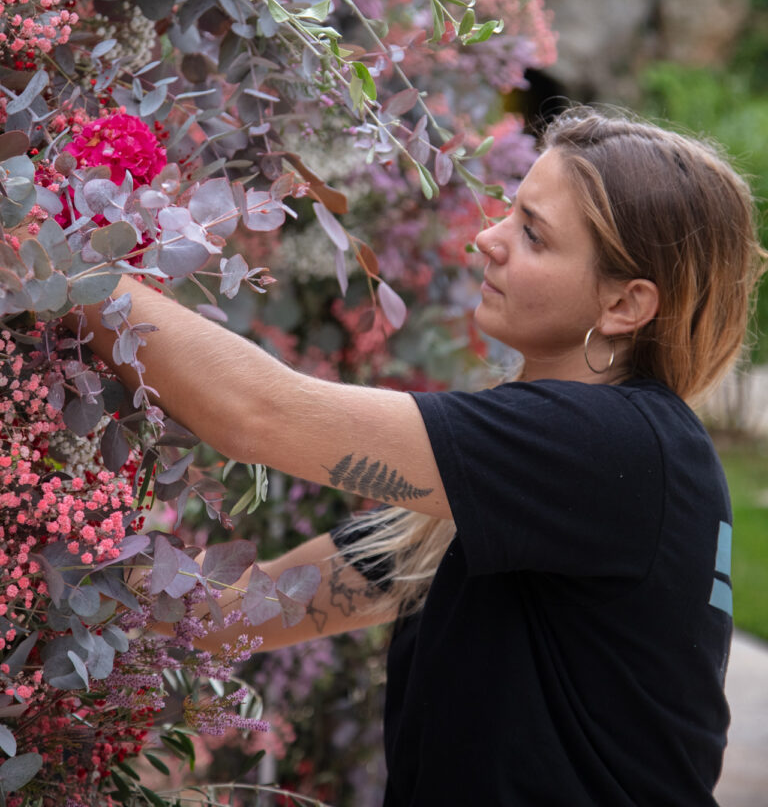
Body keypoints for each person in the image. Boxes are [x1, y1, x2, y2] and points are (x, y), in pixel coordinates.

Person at [81, 107, 764, 806]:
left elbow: (258, 413)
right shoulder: (567, 461)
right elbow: (242, 607)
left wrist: (53, 257)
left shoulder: (609, 448)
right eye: (510, 211)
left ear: (625, 304)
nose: (487, 240)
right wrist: (60, 581)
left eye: (533, 233)